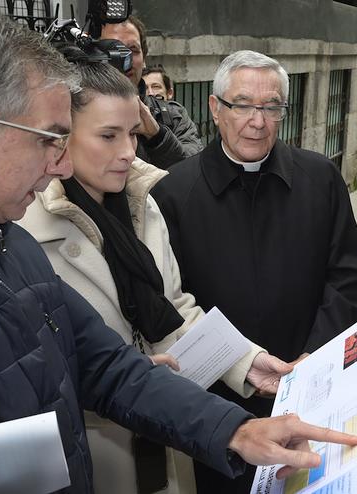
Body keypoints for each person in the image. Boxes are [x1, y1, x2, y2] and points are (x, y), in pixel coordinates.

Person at [0, 5, 357, 494]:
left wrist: (238, 429)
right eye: (48, 139)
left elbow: (108, 368)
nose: (60, 166)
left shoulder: (5, 243)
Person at [18, 56, 294, 494]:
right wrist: (129, 376)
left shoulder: (143, 204)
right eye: (108, 136)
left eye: (131, 133)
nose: (128, 151)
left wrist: (247, 362)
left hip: (166, 437)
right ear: (61, 137)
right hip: (95, 448)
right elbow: (31, 369)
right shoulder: (25, 230)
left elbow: (174, 309)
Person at [151, 50, 357, 493]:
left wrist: (316, 355)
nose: (258, 120)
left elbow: (346, 276)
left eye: (271, 107)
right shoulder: (174, 193)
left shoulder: (320, 178)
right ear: (215, 109)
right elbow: (171, 303)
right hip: (222, 402)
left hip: (309, 386)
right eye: (243, 104)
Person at [101, 15, 203, 168]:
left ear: (144, 59)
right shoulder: (73, 115)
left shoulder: (174, 117)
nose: (125, 59)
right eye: (113, 49)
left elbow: (193, 173)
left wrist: (157, 137)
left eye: (133, 50)